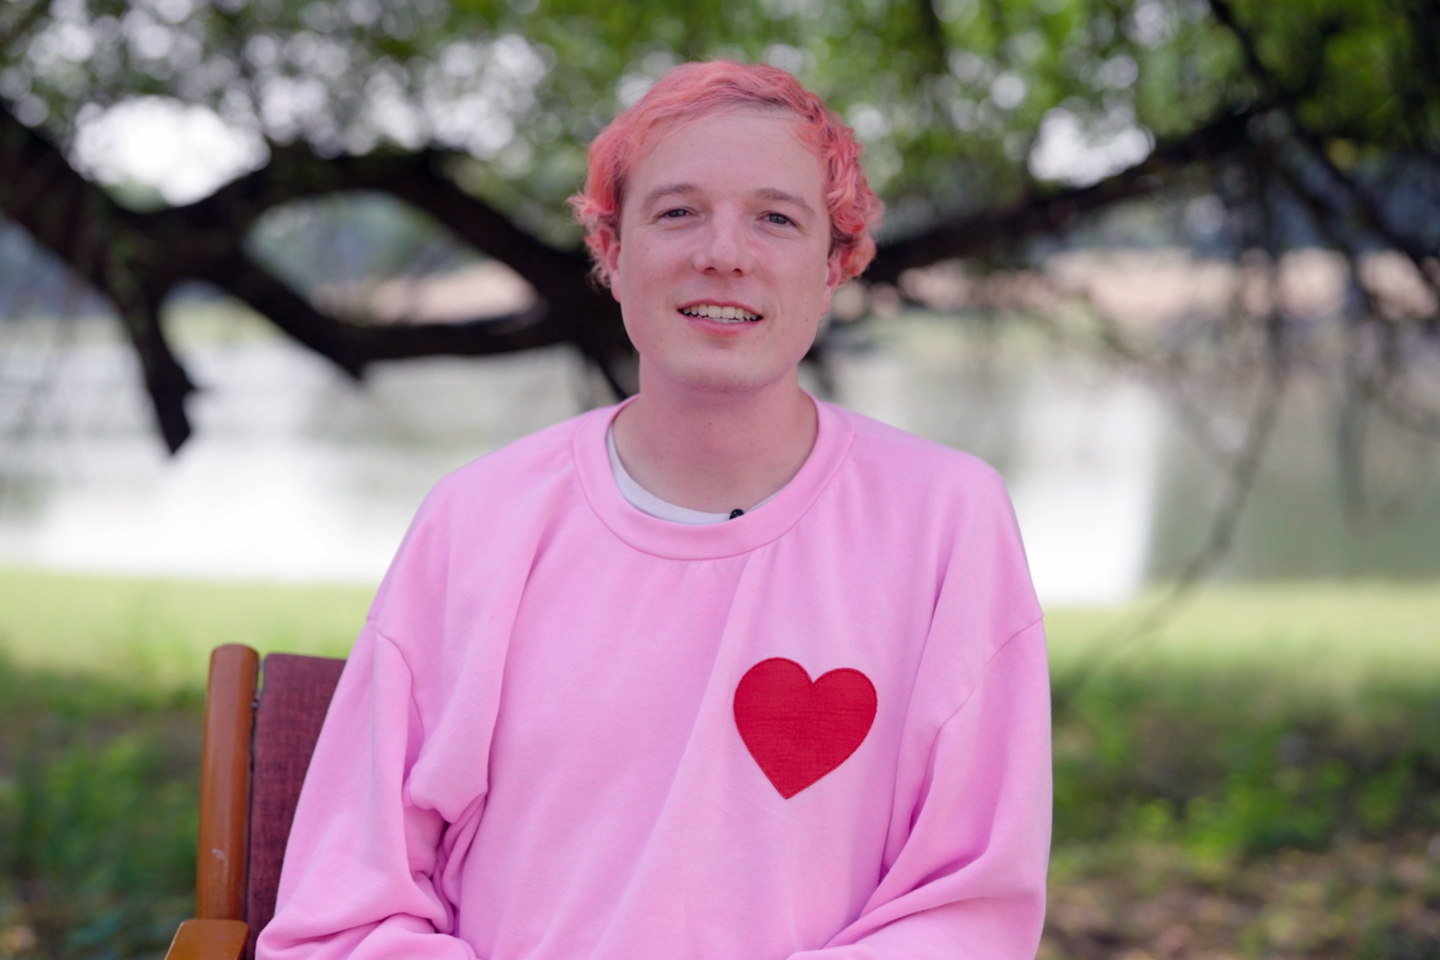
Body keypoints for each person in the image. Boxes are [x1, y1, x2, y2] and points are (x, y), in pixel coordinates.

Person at [257, 60, 1051, 960]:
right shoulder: (477, 524)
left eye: (776, 218)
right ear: (612, 252)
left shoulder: (945, 524)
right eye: (677, 212)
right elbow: (348, 908)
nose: (724, 251)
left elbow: (966, 914)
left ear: (836, 265)